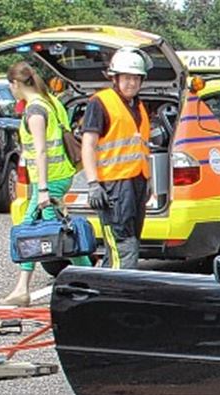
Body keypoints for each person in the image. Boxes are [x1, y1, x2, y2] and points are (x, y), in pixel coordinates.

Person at [0, 62, 90, 306]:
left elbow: (40, 151)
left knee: (34, 229)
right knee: (56, 231)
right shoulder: (51, 101)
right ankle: (23, 288)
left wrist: (42, 189)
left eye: (11, 86)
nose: (12, 91)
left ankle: (91, 281)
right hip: (59, 175)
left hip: (50, 179)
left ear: (16, 84)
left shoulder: (35, 110)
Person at [80, 47, 153, 270]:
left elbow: (140, 146)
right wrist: (93, 183)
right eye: (127, 78)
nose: (131, 83)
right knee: (124, 244)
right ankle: (122, 294)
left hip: (136, 182)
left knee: (127, 243)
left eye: (136, 78)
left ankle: (104, 294)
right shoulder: (100, 102)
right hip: (113, 186)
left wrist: (148, 180)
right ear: (115, 78)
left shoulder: (138, 105)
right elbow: (88, 145)